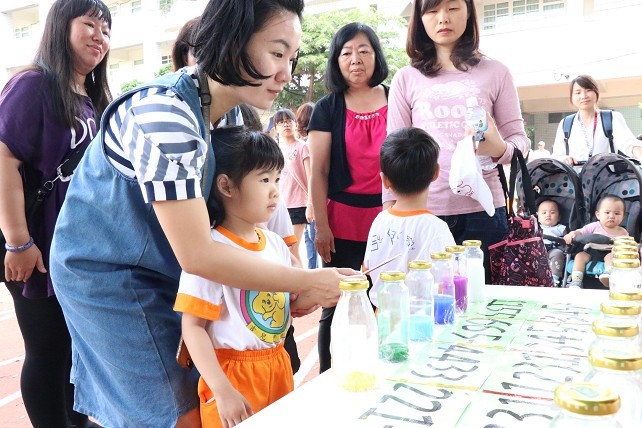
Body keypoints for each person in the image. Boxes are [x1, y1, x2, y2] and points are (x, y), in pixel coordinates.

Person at [49, 1, 356, 427]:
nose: (286, 74)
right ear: (232, 43)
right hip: (110, 275)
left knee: (199, 392)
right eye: (276, 53)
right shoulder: (164, 113)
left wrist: (290, 283)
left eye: (292, 58)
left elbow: (234, 224)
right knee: (176, 412)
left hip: (167, 264)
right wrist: (305, 281)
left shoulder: (227, 113)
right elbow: (198, 255)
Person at [0, 1, 111, 427]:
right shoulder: (32, 85)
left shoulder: (92, 98)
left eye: (106, 29)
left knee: (74, 348)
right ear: (61, 26)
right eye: (90, 24)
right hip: (38, 245)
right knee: (47, 350)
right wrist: (18, 241)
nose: (100, 36)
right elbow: (4, 161)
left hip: (78, 248)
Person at [385, 0, 529, 284]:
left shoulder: (496, 72)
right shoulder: (406, 78)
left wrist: (500, 149)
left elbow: (520, 141)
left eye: (452, 8)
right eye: (432, 10)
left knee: (482, 302)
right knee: (426, 301)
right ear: (419, 19)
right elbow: (394, 151)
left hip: (484, 212)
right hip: (422, 211)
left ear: (468, 12)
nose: (443, 18)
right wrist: (389, 207)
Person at [176, 127, 293, 428]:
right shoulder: (209, 250)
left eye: (277, 179)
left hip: (278, 363)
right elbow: (193, 328)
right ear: (226, 186)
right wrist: (222, 390)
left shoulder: (274, 243)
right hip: (232, 376)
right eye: (264, 180)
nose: (275, 191)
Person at [307, 22, 389, 373]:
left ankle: (383, 370)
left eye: (364, 51)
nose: (356, 59)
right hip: (340, 223)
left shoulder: (396, 97)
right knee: (337, 304)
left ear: (376, 56)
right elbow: (319, 172)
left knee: (386, 299)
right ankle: (328, 374)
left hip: (389, 220)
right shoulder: (327, 108)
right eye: (347, 53)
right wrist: (321, 227)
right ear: (336, 61)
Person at [364, 127, 455, 306]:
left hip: (382, 315)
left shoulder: (379, 221)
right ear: (436, 173)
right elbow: (447, 281)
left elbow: (368, 267)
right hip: (421, 318)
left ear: (384, 180)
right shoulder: (435, 228)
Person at [552, 75, 642, 165]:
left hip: (606, 173)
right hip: (575, 174)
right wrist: (563, 158)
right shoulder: (565, 123)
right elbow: (557, 155)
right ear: (572, 97)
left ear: (596, 92)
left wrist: (640, 156)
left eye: (588, 90)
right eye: (578, 92)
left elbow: (628, 143)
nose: (583, 96)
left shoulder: (612, 117)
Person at [563, 195, 628, 288]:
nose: (611, 216)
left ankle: (608, 274)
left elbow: (627, 245)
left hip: (610, 252)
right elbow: (580, 231)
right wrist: (572, 234)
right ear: (598, 215)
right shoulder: (594, 226)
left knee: (612, 257)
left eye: (617, 213)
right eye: (607, 212)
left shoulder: (622, 232)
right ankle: (576, 281)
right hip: (592, 251)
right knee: (580, 256)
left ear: (623, 216)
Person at [274, 108, 310, 262]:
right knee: (282, 249)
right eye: (281, 122)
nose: (286, 124)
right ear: (276, 127)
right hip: (280, 205)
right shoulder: (276, 149)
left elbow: (311, 177)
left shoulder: (302, 147)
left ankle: (300, 277)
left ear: (296, 124)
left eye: (289, 121)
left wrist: (311, 204)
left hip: (299, 204)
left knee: (292, 249)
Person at [295, 101, 319, 269]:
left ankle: (312, 272)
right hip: (310, 200)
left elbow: (313, 176)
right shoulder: (312, 142)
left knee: (312, 240)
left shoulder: (308, 144)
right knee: (310, 240)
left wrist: (310, 204)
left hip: (311, 201)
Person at [537, 199, 567, 286]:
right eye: (544, 213)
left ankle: (554, 278)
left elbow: (567, 240)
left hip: (554, 249)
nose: (548, 215)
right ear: (538, 216)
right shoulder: (536, 227)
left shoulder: (560, 228)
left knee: (558, 254)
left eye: (552, 212)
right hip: (537, 249)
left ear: (559, 217)